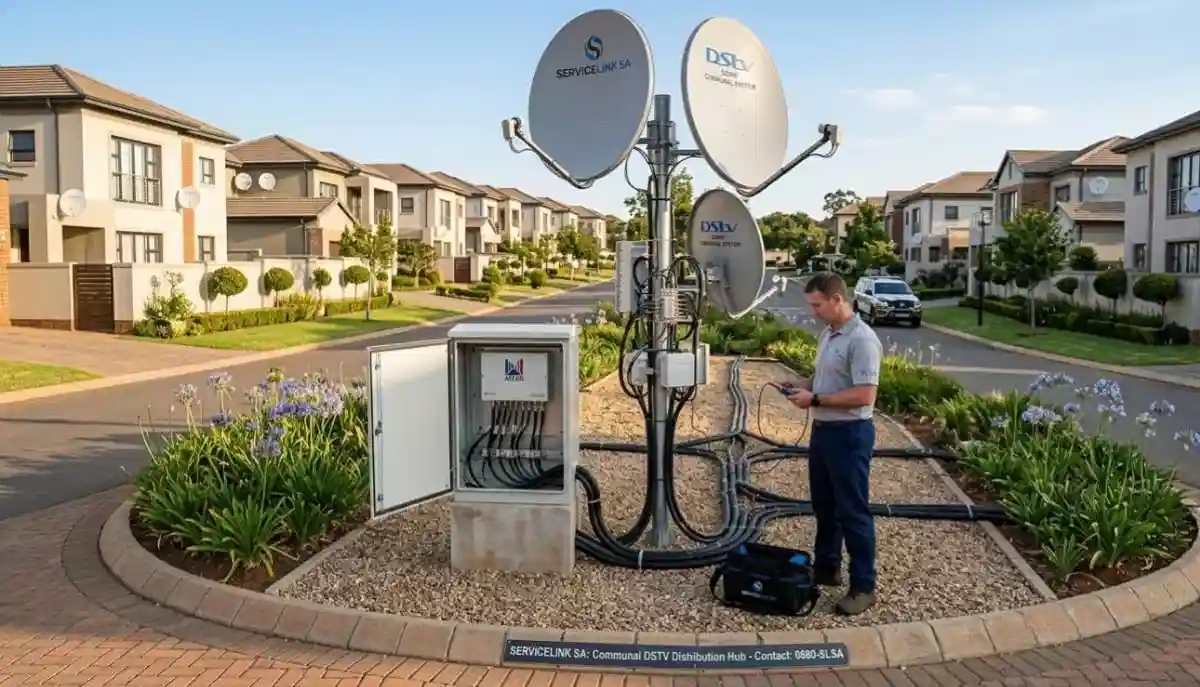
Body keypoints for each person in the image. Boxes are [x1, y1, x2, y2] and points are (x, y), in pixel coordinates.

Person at [784, 272, 883, 615]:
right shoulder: (829, 334)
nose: (813, 312)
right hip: (824, 432)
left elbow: (864, 394)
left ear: (837, 299)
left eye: (817, 305)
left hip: (850, 435)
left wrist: (814, 400)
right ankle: (827, 568)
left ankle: (863, 587)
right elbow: (826, 378)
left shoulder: (862, 340)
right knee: (825, 506)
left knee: (852, 511)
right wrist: (802, 384)